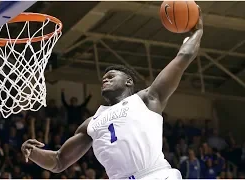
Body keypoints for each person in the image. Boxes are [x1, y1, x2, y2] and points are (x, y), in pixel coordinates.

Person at [21, 7, 203, 179]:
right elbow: (59, 161)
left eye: (111, 76)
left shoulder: (147, 99)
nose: (105, 79)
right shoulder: (90, 124)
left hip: (157, 175)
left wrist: (197, 31)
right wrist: (34, 153)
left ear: (128, 82)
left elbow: (183, 58)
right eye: (103, 78)